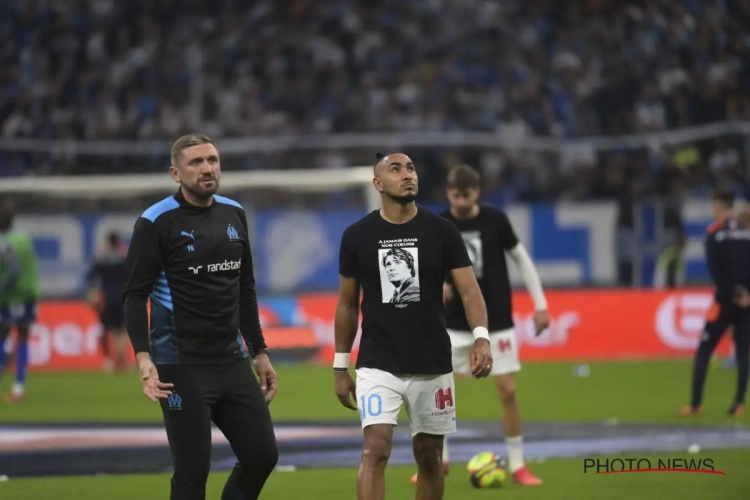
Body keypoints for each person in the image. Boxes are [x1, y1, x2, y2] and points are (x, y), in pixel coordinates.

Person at [122, 133, 279, 499]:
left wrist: (260, 352)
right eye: (196, 163)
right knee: (193, 472)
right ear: (176, 173)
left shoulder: (233, 213)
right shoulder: (155, 221)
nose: (207, 168)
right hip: (179, 364)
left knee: (261, 455)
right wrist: (143, 358)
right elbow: (134, 294)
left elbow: (245, 290)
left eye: (212, 160)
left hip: (232, 360)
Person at [333, 152, 493, 500]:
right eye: (395, 169)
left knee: (430, 458)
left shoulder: (442, 232)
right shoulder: (357, 236)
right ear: (378, 184)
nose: (407, 175)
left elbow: (470, 292)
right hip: (378, 363)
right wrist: (340, 366)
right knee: (374, 449)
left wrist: (482, 339)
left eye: (410, 168)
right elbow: (346, 304)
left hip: (432, 362)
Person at [410, 164, 548, 486]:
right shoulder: (439, 223)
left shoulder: (495, 220)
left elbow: (521, 259)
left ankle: (517, 464)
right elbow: (423, 267)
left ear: (477, 192)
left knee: (508, 390)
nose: (460, 201)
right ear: (448, 193)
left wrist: (541, 304)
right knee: (436, 393)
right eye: (455, 195)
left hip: (495, 322)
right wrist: (437, 285)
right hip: (451, 324)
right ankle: (439, 461)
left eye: (466, 195)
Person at [679, 188, 744, 417]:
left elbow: (716, 270)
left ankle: (696, 404)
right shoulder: (742, 230)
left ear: (718, 205)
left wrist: (729, 293)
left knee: (704, 350)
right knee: (744, 351)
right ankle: (738, 403)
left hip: (724, 301)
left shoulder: (713, 232)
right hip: (745, 300)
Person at [0, 200, 40, 402]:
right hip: (27, 295)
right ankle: (18, 387)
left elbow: (13, 271)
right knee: (22, 337)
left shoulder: (5, 241)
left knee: (3, 334)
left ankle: (13, 385)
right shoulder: (23, 238)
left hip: (10, 296)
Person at [86, 231, 129, 372]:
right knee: (121, 329)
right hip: (123, 296)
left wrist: (92, 293)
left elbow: (90, 276)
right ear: (119, 242)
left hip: (106, 297)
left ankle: (108, 361)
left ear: (108, 242)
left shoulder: (101, 257)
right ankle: (121, 361)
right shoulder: (125, 256)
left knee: (106, 329)